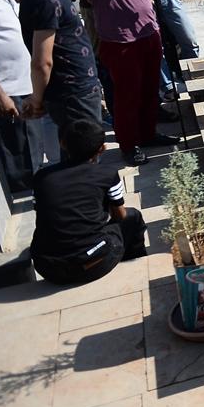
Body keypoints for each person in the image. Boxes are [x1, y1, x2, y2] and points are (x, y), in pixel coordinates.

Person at [81, 0, 168, 165]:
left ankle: (148, 133)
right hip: (119, 39)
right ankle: (129, 145)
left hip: (148, 30)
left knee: (150, 89)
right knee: (127, 95)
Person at [30, 118, 147, 286]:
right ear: (102, 148)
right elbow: (120, 215)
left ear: (62, 144)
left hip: (48, 268)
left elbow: (45, 213)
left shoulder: (41, 178)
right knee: (133, 217)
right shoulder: (107, 174)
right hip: (95, 262)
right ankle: (134, 263)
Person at [20, 0, 103, 137]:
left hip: (78, 91)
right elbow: (42, 61)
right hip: (73, 95)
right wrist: (37, 99)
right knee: (85, 156)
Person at [0, 0, 56, 192]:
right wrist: (0, 95)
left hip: (25, 82)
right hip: (6, 89)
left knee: (35, 149)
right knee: (19, 156)